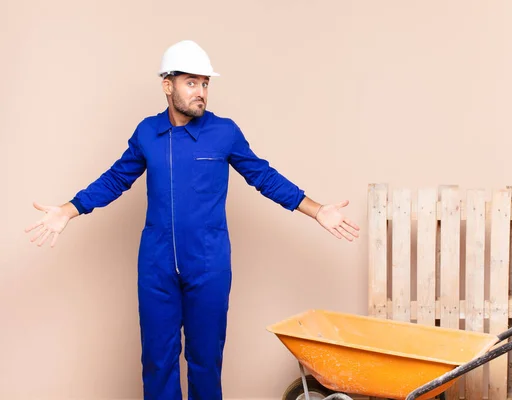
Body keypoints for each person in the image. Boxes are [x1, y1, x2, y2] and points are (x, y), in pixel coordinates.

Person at [24, 39, 360, 400]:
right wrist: (68, 209)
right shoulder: (146, 133)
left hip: (208, 263)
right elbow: (116, 179)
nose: (201, 92)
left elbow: (263, 176)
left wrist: (316, 209)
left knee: (205, 361)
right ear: (167, 86)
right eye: (191, 82)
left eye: (205, 83)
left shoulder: (224, 132)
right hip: (157, 264)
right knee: (157, 360)